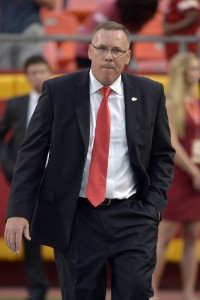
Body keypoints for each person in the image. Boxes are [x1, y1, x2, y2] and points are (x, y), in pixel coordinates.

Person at [4, 21, 175, 300]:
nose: (109, 56)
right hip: (76, 218)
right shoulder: (58, 91)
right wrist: (18, 210)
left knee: (135, 291)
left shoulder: (149, 93)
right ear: (90, 51)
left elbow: (163, 154)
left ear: (128, 56)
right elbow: (32, 154)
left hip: (133, 215)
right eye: (103, 48)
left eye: (117, 50)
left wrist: (153, 207)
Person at [0, 55, 52, 300]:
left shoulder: (64, 101)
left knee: (66, 233)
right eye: (33, 72)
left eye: (42, 71)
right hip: (28, 183)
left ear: (50, 72)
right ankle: (37, 287)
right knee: (28, 235)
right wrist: (11, 167)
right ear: (26, 76)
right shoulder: (16, 104)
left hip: (59, 181)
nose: (38, 76)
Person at [151, 52, 200, 300]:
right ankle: (153, 290)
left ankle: (189, 292)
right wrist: (193, 172)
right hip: (178, 175)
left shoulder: (198, 102)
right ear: (182, 72)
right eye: (193, 69)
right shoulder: (171, 103)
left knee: (193, 237)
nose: (197, 73)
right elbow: (172, 143)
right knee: (165, 235)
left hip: (197, 175)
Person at [76, 0, 158, 68]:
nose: (148, 15)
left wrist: (129, 61)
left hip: (115, 58)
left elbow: (130, 41)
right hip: (87, 55)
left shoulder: (137, 18)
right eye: (146, 11)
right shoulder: (108, 7)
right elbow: (95, 34)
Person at [0, 0, 56, 71]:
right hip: (5, 31)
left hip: (30, 28)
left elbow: (52, 4)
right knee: (4, 73)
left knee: (30, 69)